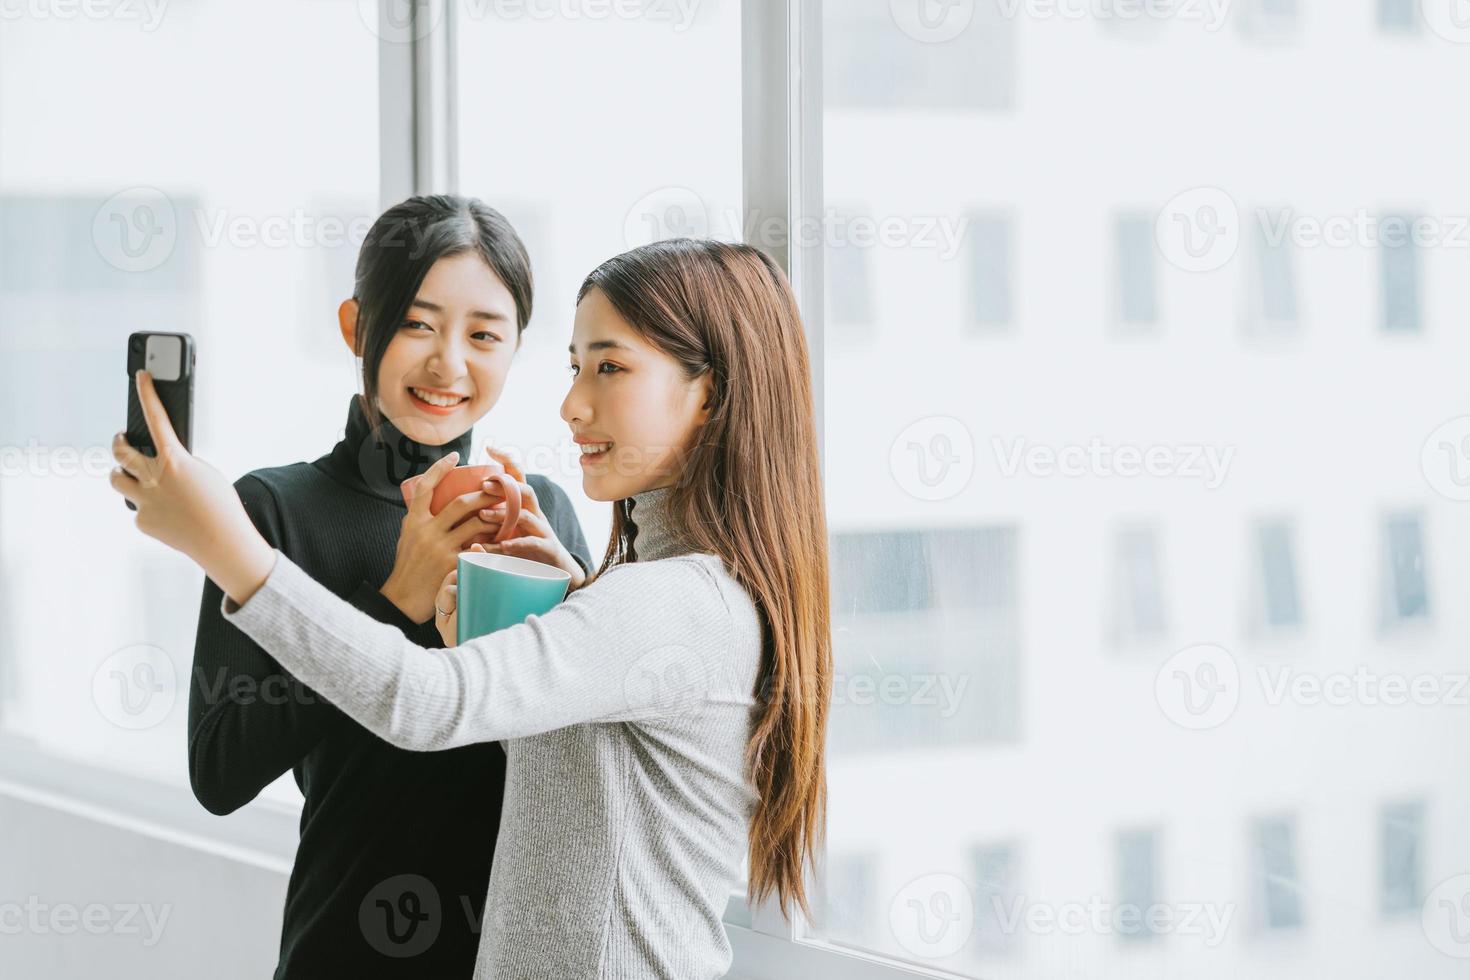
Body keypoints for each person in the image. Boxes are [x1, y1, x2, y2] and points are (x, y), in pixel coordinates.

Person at [112, 238, 832, 980]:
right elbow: (573, 754)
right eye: (576, 365)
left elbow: (430, 703)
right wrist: (566, 594)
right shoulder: (635, 581)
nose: (572, 404)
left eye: (610, 367)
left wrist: (228, 548)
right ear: (359, 327)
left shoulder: (668, 597)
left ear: (709, 392)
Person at [186, 195, 591, 977]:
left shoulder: (541, 516)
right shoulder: (271, 510)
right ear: (355, 328)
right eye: (416, 323)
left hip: (518, 958)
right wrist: (395, 603)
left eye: (483, 335)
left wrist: (576, 592)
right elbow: (219, 772)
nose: (448, 364)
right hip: (343, 949)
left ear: (513, 351)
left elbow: (583, 754)